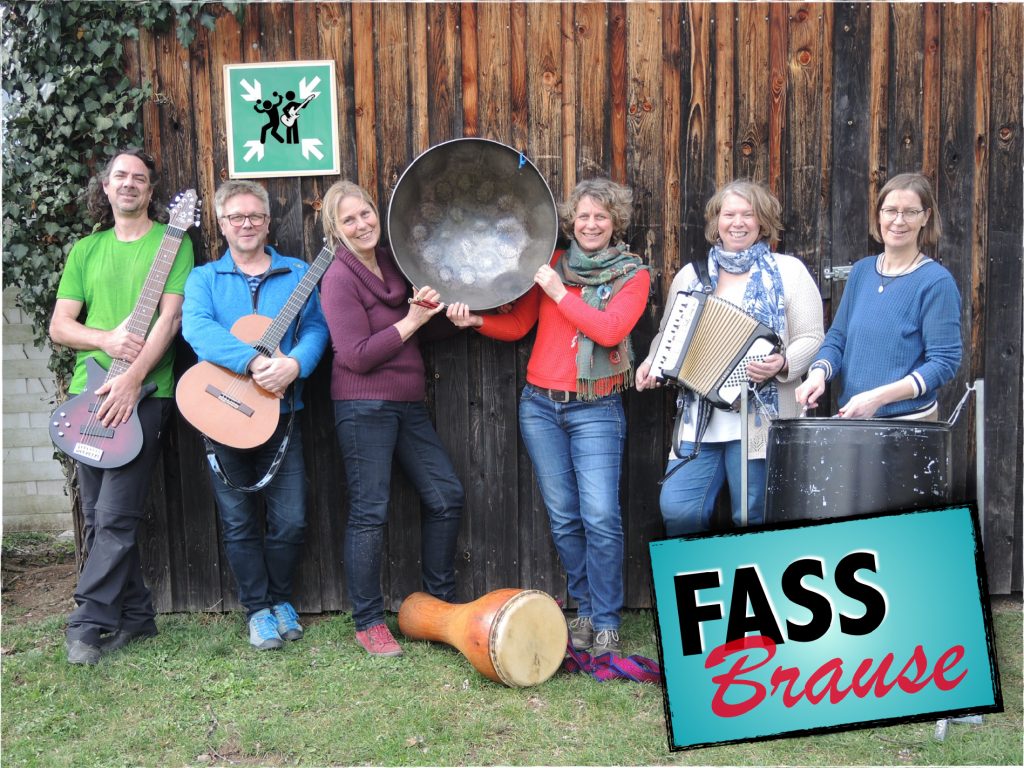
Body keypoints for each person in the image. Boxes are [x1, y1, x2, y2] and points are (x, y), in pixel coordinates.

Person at [447, 177, 650, 657]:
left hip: (596, 408)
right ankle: (585, 611)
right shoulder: (553, 262)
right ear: (572, 221)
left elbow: (610, 330)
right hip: (540, 406)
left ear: (615, 222)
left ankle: (607, 622)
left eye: (601, 216)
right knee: (564, 518)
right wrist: (476, 321)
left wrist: (561, 294)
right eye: (583, 216)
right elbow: (521, 323)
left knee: (600, 516)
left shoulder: (631, 274)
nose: (591, 224)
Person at [49, 148, 195, 665]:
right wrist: (106, 340)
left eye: (139, 178)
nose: (129, 183)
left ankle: (87, 624)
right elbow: (60, 326)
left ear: (151, 191)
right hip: (89, 393)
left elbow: (170, 320)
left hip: (145, 395)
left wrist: (133, 379)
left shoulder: (173, 242)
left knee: (114, 515)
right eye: (120, 176)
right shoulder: (86, 250)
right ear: (106, 187)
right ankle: (136, 617)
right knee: (96, 516)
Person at [181, 180, 328, 651]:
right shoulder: (205, 278)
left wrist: (296, 365)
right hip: (221, 413)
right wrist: (251, 361)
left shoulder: (298, 272)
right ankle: (257, 610)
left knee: (292, 519)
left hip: (279, 414)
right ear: (222, 225)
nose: (246, 224)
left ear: (268, 222)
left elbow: (316, 328)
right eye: (236, 217)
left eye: (255, 216)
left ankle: (281, 599)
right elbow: (196, 328)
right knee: (238, 521)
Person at [320, 180, 464, 658]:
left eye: (365, 213)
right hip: (362, 407)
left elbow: (418, 331)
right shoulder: (338, 279)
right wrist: (413, 320)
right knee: (370, 512)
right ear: (335, 229)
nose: (361, 224)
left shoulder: (391, 261)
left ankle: (437, 608)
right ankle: (368, 622)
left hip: (407, 402)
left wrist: (452, 318)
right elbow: (356, 355)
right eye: (349, 220)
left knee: (445, 496)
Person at [636, 179, 824, 536]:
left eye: (748, 214)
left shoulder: (789, 272)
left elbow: (812, 337)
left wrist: (783, 363)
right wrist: (651, 364)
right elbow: (667, 334)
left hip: (762, 420)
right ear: (716, 221)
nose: (738, 223)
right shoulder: (692, 276)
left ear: (762, 221)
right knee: (679, 509)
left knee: (753, 517)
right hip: (698, 421)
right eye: (729, 214)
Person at [796, 172, 961, 420]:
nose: (899, 220)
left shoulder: (936, 282)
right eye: (891, 210)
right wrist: (818, 372)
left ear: (926, 217)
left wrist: (878, 397)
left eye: (910, 212)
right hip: (854, 420)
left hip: (908, 424)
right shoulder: (861, 271)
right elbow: (838, 338)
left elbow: (944, 363)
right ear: (879, 215)